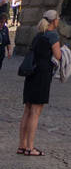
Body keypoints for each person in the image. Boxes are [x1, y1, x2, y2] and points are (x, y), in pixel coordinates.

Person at [18, 9, 61, 156]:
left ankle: (22, 145)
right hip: (42, 75)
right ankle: (30, 147)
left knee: (27, 110)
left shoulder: (38, 35)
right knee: (36, 112)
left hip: (31, 74)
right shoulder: (53, 35)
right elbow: (58, 55)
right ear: (54, 21)